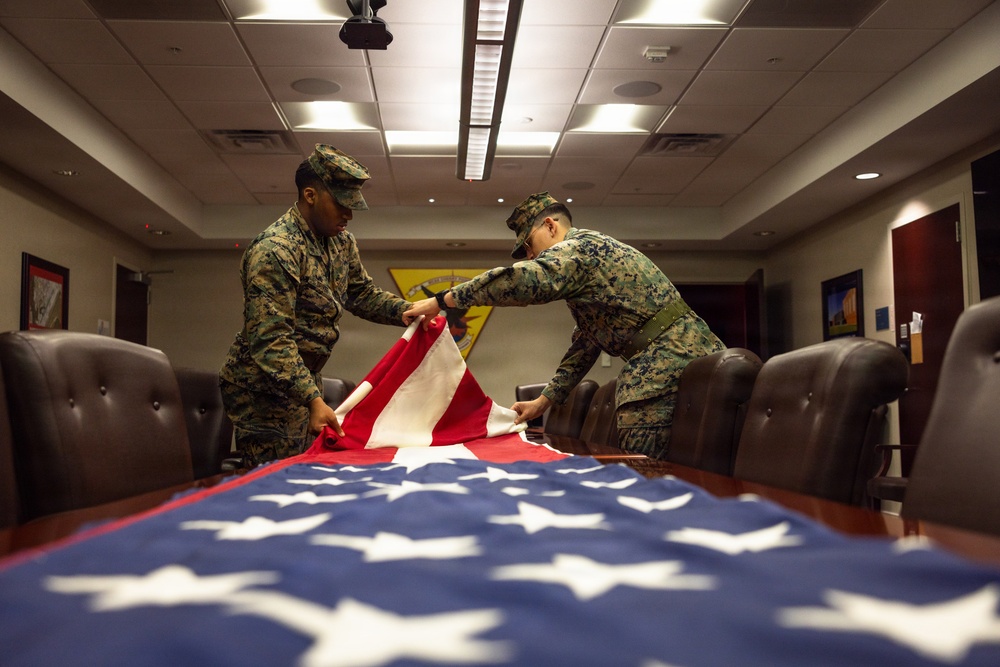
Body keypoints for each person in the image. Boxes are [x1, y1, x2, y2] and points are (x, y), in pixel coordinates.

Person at [403, 192, 725, 460]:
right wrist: (543, 401)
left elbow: (524, 281)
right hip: (679, 355)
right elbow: (585, 344)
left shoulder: (578, 249)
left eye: (529, 246)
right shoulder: (587, 261)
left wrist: (443, 300)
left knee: (643, 480)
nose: (530, 256)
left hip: (667, 362)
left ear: (550, 226)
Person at [220, 145, 414, 468]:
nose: (349, 216)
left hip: (305, 382)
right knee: (277, 486)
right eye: (341, 205)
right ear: (310, 195)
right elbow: (270, 340)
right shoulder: (276, 250)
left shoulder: (340, 242)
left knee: (306, 480)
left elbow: (361, 294)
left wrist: (407, 310)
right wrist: (312, 398)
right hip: (263, 392)